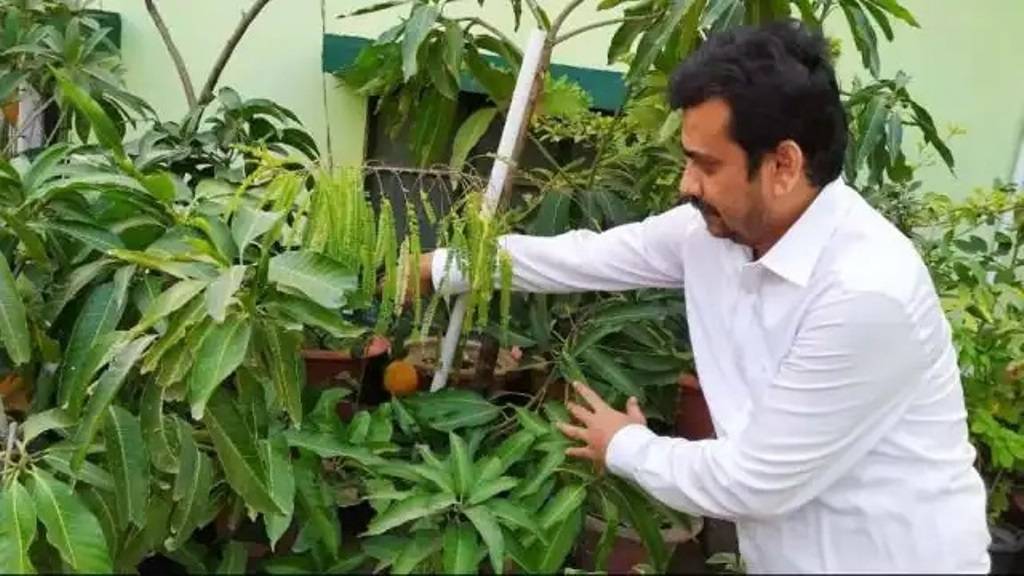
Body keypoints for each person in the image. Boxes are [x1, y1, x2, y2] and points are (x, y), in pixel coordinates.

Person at [418, 19, 990, 573]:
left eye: (706, 164)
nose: (685, 184)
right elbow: (588, 255)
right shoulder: (716, 233)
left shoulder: (866, 292)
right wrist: (441, 267)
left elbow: (753, 480)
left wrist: (624, 445)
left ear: (784, 165)